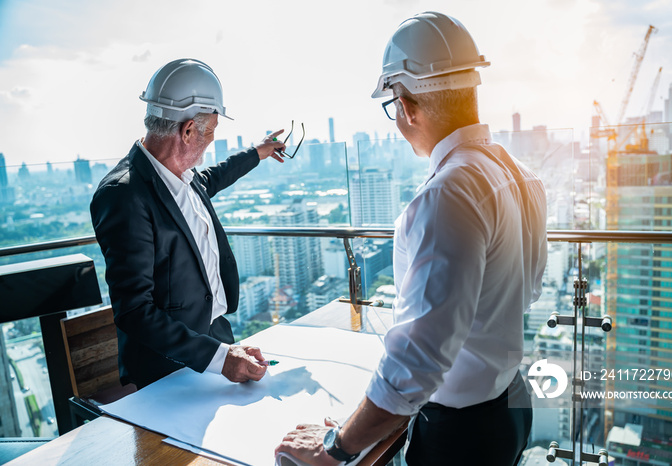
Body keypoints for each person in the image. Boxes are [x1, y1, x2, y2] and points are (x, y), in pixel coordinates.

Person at [275, 12, 547, 465]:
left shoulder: (448, 195)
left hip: (461, 436)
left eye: (392, 107)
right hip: (511, 405)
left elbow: (415, 365)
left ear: (406, 106)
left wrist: (336, 446)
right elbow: (528, 290)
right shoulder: (518, 174)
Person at [90, 58, 286, 389]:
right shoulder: (123, 195)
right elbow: (135, 310)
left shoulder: (183, 177)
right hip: (167, 367)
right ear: (188, 131)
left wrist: (259, 152)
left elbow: (215, 176)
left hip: (214, 338)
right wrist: (219, 358)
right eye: (211, 132)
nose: (211, 142)